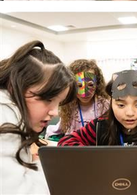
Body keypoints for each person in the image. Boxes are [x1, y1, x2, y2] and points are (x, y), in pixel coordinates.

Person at [0, 41, 75, 194]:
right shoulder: (6, 122)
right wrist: (43, 167)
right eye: (48, 99)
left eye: (58, 103)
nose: (55, 112)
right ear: (15, 86)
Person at [58, 70, 137, 146]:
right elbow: (66, 141)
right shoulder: (101, 125)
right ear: (111, 103)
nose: (130, 113)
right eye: (120, 105)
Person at [47, 59, 110, 139]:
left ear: (97, 84)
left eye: (90, 85)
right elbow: (57, 130)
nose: (84, 93)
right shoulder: (69, 106)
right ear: (71, 85)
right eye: (79, 86)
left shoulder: (105, 105)